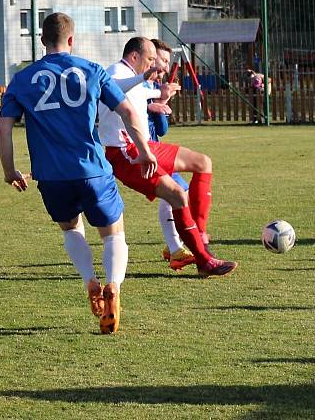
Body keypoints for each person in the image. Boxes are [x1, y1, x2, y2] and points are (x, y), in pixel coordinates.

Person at [0, 12, 157, 334]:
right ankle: (113, 286)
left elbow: (3, 127)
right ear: (72, 40)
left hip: (52, 176)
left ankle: (90, 282)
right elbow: (126, 110)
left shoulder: (22, 80)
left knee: (71, 229)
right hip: (92, 170)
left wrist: (9, 169)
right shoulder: (91, 70)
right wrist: (144, 150)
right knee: (113, 232)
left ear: (42, 41)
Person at [98, 37, 239, 278]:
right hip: (125, 153)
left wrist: (159, 95)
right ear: (134, 57)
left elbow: (137, 97)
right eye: (151, 59)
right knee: (177, 194)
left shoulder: (133, 76)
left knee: (203, 163)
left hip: (146, 145)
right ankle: (204, 261)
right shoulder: (116, 70)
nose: (156, 65)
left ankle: (200, 235)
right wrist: (144, 79)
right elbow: (112, 88)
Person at [145, 39, 195, 272]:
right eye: (163, 60)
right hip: (140, 151)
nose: (166, 66)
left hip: (156, 148)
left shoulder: (157, 86)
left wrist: (162, 102)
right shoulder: (138, 85)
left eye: (167, 61)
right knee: (176, 192)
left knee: (178, 193)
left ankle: (172, 245)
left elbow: (162, 129)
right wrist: (150, 104)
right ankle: (176, 250)